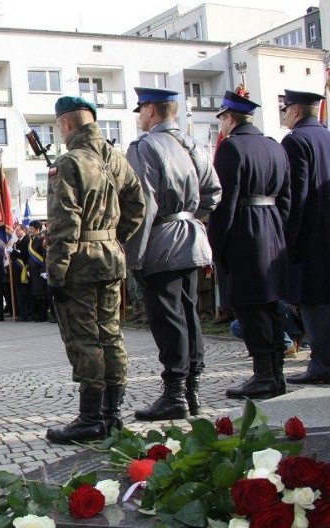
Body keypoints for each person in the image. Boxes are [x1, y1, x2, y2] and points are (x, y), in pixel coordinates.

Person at [43, 96, 145, 444]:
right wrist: (113, 239)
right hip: (111, 257)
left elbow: (64, 225)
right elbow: (137, 204)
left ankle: (90, 418)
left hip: (80, 264)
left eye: (60, 126)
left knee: (85, 339)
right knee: (111, 336)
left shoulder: (69, 162)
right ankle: (112, 414)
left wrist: (56, 273)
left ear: (68, 124)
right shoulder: (116, 158)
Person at [125, 87, 222, 421]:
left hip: (162, 239)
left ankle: (175, 395)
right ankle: (191, 390)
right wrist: (190, 213)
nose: (139, 116)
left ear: (151, 110)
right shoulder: (192, 143)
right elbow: (213, 192)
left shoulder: (145, 146)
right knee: (188, 313)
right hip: (192, 235)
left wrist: (133, 257)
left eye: (141, 110)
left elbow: (143, 204)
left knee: (168, 318)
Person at [208, 91, 291, 400]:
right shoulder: (274, 146)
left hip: (245, 232)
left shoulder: (231, 148)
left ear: (229, 118)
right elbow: (286, 198)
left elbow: (225, 203)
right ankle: (275, 373)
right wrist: (278, 228)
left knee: (250, 308)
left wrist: (218, 245)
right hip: (272, 228)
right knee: (270, 307)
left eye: (222, 120)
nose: (222, 127)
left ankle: (265, 376)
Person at [281, 89, 330, 385]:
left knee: (313, 300)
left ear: (296, 111)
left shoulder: (296, 141)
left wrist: (289, 238)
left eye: (285, 109)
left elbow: (297, 193)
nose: (284, 114)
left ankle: (324, 364)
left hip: (309, 229)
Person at [10, 224, 33, 322]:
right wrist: (12, 252)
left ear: (24, 230)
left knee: (26, 293)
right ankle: (22, 314)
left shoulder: (27, 240)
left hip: (24, 270)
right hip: (17, 271)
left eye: (18, 230)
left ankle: (29, 314)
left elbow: (24, 255)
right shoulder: (17, 242)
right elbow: (16, 256)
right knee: (19, 294)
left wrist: (13, 252)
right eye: (15, 231)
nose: (16, 232)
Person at [27, 220, 49, 322]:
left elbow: (45, 256)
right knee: (36, 294)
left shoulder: (42, 240)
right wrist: (27, 268)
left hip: (41, 271)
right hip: (33, 271)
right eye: (29, 228)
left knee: (42, 294)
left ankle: (43, 315)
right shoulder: (31, 240)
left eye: (32, 229)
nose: (30, 231)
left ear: (38, 229)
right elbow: (29, 257)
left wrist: (44, 270)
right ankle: (39, 314)